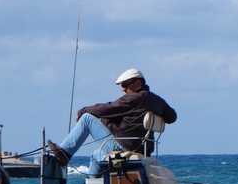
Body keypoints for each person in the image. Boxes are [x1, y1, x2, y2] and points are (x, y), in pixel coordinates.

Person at [48, 68, 176, 176]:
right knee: (96, 155)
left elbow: (110, 108)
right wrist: (157, 112)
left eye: (125, 85)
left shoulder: (135, 98)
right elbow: (172, 117)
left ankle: (64, 154)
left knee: (87, 118)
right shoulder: (156, 100)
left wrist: (84, 109)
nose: (123, 89)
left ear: (137, 83)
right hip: (143, 149)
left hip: (123, 147)